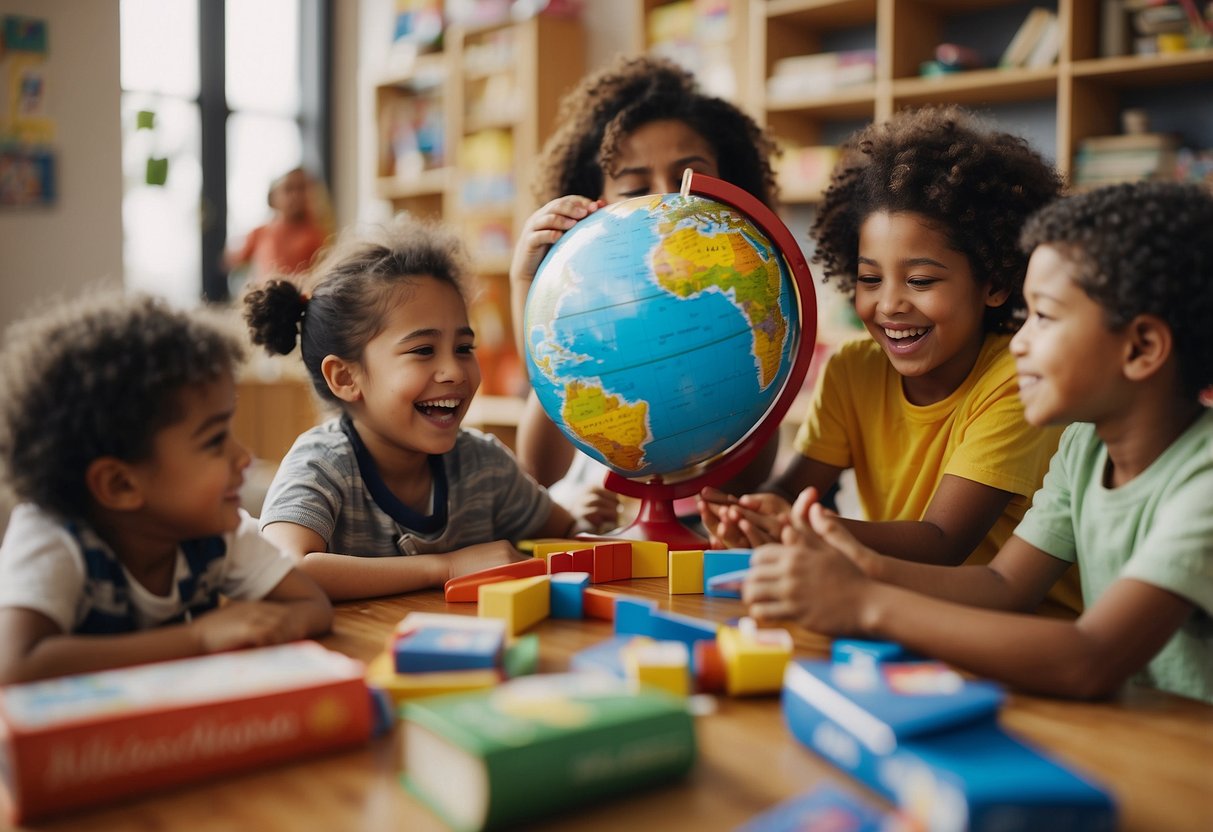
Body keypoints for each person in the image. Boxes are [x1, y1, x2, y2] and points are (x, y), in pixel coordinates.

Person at [744, 182, 1213, 703]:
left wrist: (865, 604)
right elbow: (1002, 586)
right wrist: (858, 566)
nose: (1022, 339)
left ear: (1142, 347)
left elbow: (1090, 659)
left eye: (1045, 316)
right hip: (1136, 732)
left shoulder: (1204, 481)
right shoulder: (1085, 447)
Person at [699, 105, 1083, 615]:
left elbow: (943, 540)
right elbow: (795, 488)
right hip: (900, 616)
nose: (889, 305)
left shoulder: (1018, 378)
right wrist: (750, 516)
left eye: (921, 281)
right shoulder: (852, 368)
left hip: (1020, 633)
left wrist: (798, 524)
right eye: (870, 279)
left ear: (994, 282)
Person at [247, 216, 591, 602]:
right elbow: (284, 570)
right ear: (345, 377)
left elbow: (565, 532)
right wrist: (446, 566)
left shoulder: (484, 465)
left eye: (464, 348)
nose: (454, 371)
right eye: (423, 350)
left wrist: (585, 520)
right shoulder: (321, 465)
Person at [508, 55, 782, 533]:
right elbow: (538, 469)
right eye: (634, 187)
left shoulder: (744, 305)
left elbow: (750, 474)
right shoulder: (589, 337)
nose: (666, 199)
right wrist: (527, 285)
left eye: (687, 178)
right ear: (589, 208)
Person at [0, 293, 333, 684]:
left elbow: (314, 607)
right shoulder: (52, 540)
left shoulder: (219, 532)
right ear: (120, 484)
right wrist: (197, 638)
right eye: (213, 441)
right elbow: (16, 665)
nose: (244, 457)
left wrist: (260, 627)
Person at [226, 166, 331, 289]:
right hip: (264, 300)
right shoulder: (260, 233)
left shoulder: (316, 236)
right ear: (272, 198)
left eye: (302, 189)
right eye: (289, 189)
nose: (296, 196)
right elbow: (232, 260)